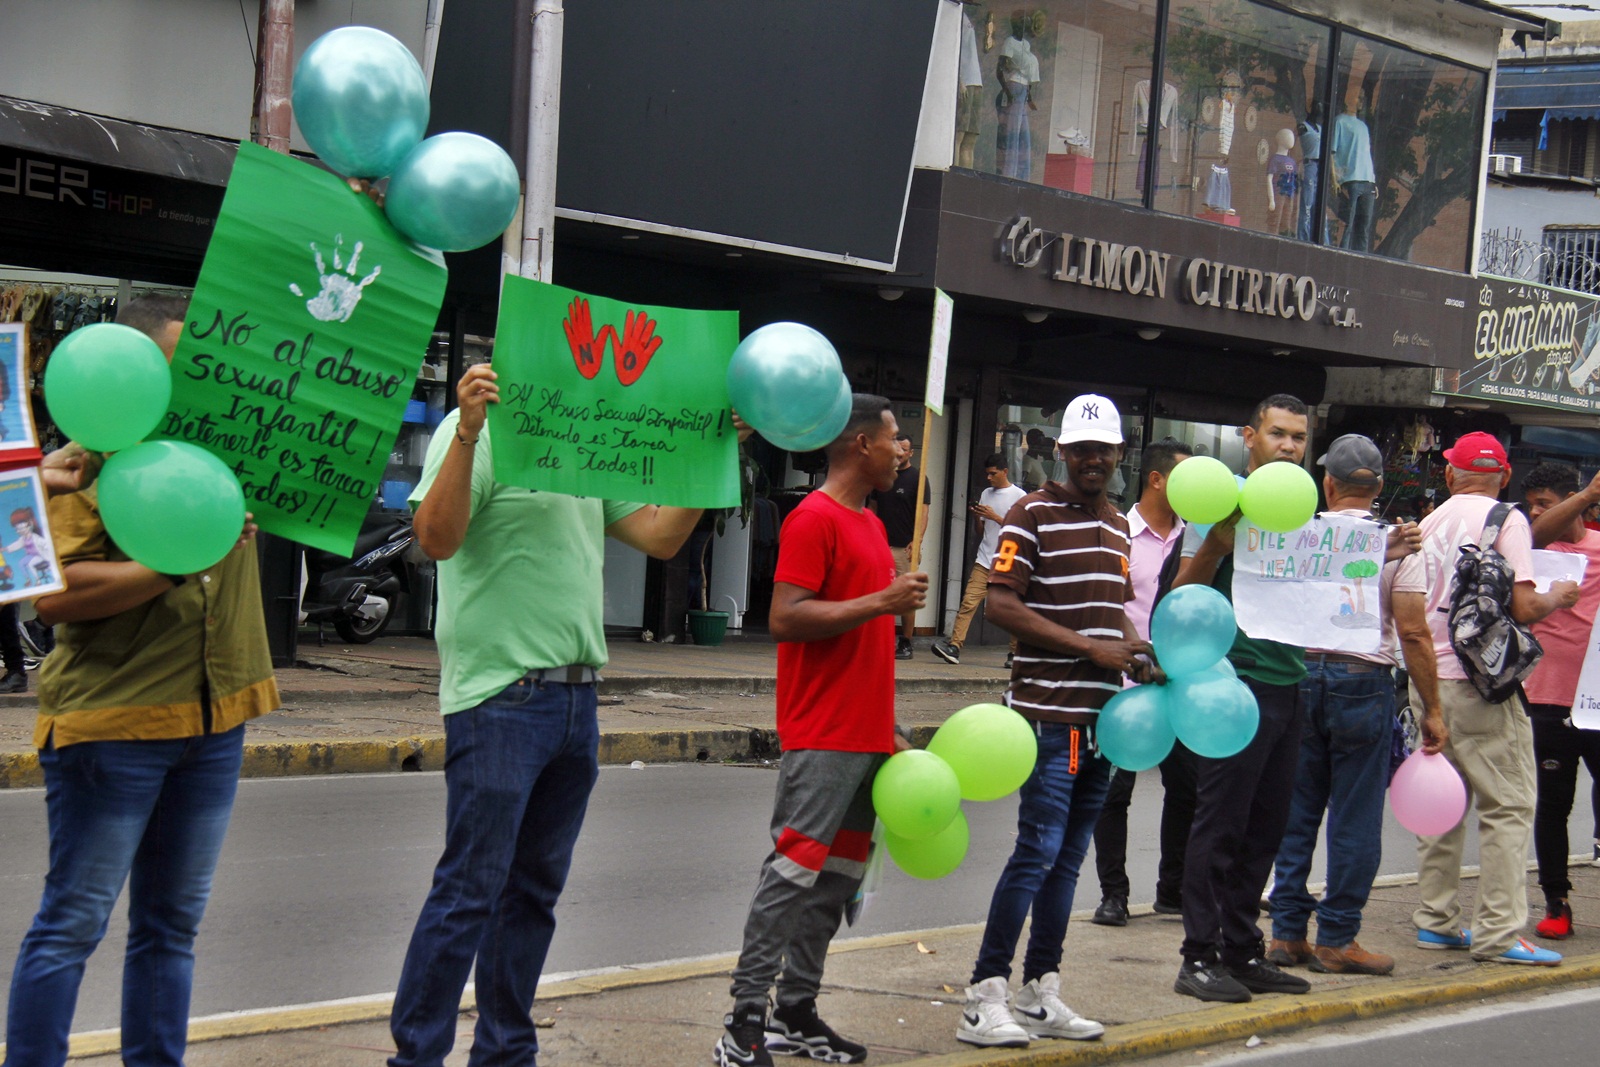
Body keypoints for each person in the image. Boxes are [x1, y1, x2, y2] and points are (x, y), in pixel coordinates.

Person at [389, 362, 743, 1067]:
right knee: (469, 891)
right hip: (500, 696)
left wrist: (714, 453)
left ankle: (505, 1052)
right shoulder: (483, 434)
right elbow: (435, 536)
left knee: (532, 894)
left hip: (577, 699)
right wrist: (465, 429)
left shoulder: (578, 441)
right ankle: (417, 1057)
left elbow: (660, 535)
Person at [3, 293, 278, 1067]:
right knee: (74, 922)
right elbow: (52, 595)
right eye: (175, 363)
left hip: (215, 719)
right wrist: (172, 560)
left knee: (172, 927)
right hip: (112, 724)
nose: (192, 380)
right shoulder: (88, 456)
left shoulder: (230, 446)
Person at [715, 394, 927, 1067]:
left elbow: (862, 641)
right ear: (860, 443)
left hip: (865, 734)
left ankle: (797, 1009)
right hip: (822, 731)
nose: (903, 451)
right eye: (895, 438)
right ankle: (743, 1019)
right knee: (792, 873)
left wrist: (884, 722)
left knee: (836, 880)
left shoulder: (868, 523)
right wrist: (884, 600)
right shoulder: (815, 517)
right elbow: (786, 616)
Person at [958, 394, 1153, 1049]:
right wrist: (1091, 648)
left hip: (1103, 721)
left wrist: (1134, 647)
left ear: (1120, 454)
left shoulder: (1120, 524)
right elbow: (1002, 606)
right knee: (1038, 851)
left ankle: (1042, 989)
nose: (1094, 460)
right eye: (1082, 450)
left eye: (1105, 449)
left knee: (1070, 859)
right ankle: (984, 994)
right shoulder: (1029, 514)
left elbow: (1112, 607)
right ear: (1062, 453)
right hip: (1053, 718)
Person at [1392, 432, 1578, 967]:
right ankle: (1499, 933)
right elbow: (1520, 606)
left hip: (1427, 681)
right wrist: (1557, 597)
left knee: (1443, 805)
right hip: (1482, 685)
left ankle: (1436, 921)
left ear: (1450, 474)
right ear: (1506, 475)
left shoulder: (1427, 523)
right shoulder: (1508, 521)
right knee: (1510, 806)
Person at [1265, 434, 1446, 977]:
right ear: (1379, 488)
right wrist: (1432, 708)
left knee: (1295, 812)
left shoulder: (1301, 534)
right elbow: (1413, 631)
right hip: (1362, 679)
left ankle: (1286, 933)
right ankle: (1338, 938)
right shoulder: (1397, 544)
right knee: (1356, 817)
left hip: (1300, 675)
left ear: (1327, 483)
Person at [1170, 394, 1313, 1004]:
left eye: (1300, 438)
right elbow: (1177, 596)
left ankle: (1242, 951)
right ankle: (1197, 957)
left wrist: (1382, 556)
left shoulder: (1307, 512)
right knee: (1220, 826)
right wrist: (1217, 545)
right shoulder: (1219, 506)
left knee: (1266, 829)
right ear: (1249, 436)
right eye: (1278, 434)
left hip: (1291, 682)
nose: (1289, 446)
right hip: (1235, 686)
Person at [1091, 437, 1194, 928]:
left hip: (1180, 686)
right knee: (1114, 794)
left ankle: (1172, 890)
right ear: (1157, 479)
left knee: (1187, 788)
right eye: (1184, 477)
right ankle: (1114, 894)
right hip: (1125, 685)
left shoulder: (1198, 539)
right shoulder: (1116, 532)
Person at [1522, 462, 1600, 940]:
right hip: (1548, 700)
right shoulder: (1533, 549)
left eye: (1544, 503)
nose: (1534, 513)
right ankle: (1557, 902)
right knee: (1553, 805)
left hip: (1597, 699)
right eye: (1531, 504)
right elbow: (1532, 533)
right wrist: (1584, 494)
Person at [931, 453, 1025, 667]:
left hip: (1010, 561)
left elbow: (1021, 531)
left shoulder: (1020, 496)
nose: (989, 478)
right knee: (968, 603)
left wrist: (996, 517)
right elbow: (980, 531)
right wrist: (977, 516)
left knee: (1013, 608)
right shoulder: (986, 493)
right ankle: (954, 646)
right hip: (985, 559)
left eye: (993, 474)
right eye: (987, 474)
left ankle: (1014, 654)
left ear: (1005, 472)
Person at [869, 431, 927, 660]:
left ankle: (906, 642)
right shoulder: (883, 475)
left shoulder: (918, 478)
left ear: (911, 453)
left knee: (905, 596)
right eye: (897, 448)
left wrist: (917, 540)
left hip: (904, 547)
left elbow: (924, 513)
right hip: (880, 545)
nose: (900, 453)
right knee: (878, 593)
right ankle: (878, 641)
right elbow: (873, 507)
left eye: (904, 449)